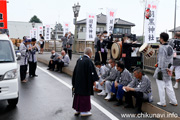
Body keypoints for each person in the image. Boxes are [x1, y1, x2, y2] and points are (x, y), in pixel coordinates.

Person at [72, 47, 99, 117]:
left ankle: (77, 109)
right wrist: (94, 80)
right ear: (90, 53)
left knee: (78, 96)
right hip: (85, 83)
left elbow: (75, 71)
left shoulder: (79, 59)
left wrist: (74, 82)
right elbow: (92, 72)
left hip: (78, 82)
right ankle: (84, 111)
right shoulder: (88, 61)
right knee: (84, 96)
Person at [153, 32, 178, 107]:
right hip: (169, 69)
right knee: (169, 86)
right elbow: (171, 59)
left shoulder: (162, 48)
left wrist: (160, 67)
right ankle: (174, 101)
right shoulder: (170, 47)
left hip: (162, 70)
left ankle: (163, 102)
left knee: (161, 87)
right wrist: (169, 68)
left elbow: (161, 60)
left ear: (161, 39)